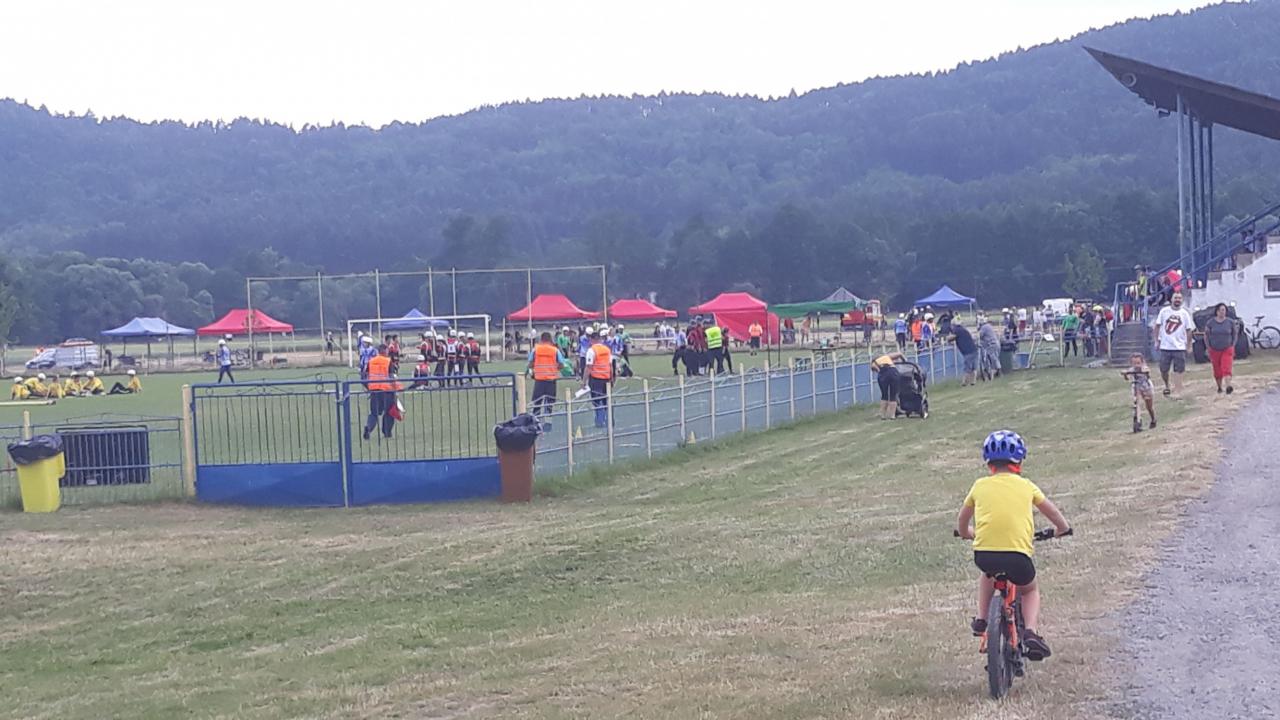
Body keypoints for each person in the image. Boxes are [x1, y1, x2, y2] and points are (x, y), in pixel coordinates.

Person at [956, 430, 1071, 662]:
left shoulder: (979, 486)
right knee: (1029, 589)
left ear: (988, 462)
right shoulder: (1026, 486)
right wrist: (1062, 529)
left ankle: (982, 619)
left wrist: (967, 533)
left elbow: (962, 521)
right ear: (1019, 461)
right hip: (1018, 557)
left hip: (985, 554)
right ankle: (1030, 632)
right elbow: (1053, 513)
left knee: (988, 575)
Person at [1152, 291, 1194, 397]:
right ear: (1171, 299)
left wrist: (1189, 345)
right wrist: (1156, 341)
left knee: (1179, 370)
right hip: (1165, 346)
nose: (1177, 300)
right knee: (1163, 369)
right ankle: (1167, 385)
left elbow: (1189, 330)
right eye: (1175, 298)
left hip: (1179, 347)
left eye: (1179, 298)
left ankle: (1178, 390)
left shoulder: (1185, 314)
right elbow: (1157, 326)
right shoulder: (1164, 312)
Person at [527, 332, 565, 424]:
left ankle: (535, 422)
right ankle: (548, 423)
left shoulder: (536, 350)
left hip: (539, 380)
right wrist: (554, 368)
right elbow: (562, 364)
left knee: (537, 403)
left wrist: (537, 366)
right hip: (551, 380)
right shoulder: (555, 350)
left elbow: (530, 364)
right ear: (550, 339)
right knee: (549, 403)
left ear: (541, 339)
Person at [362, 344, 398, 440]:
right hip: (386, 391)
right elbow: (392, 377)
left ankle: (368, 427)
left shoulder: (371, 361)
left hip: (374, 391)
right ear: (385, 351)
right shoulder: (388, 361)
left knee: (374, 413)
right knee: (389, 412)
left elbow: (364, 376)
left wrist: (369, 387)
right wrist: (395, 389)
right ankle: (387, 433)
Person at [1204, 302, 1238, 395]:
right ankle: (1219, 387)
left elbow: (1235, 334)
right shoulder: (1210, 323)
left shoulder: (1230, 322)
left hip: (1227, 348)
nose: (1222, 312)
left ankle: (1228, 386)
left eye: (1224, 310)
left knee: (1226, 367)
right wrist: (1208, 347)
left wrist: (1233, 345)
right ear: (1217, 311)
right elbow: (1206, 335)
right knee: (1217, 369)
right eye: (1221, 310)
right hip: (1214, 349)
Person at [582, 328, 613, 428]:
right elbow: (611, 366)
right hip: (606, 378)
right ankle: (609, 420)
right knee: (606, 400)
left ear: (591, 340)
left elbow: (588, 367)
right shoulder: (607, 350)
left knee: (596, 400)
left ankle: (600, 420)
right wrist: (612, 378)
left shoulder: (591, 350)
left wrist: (584, 381)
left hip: (596, 378)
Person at [1124, 352, 1157, 430]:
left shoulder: (1144, 368)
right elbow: (1127, 378)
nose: (1136, 365)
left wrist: (1144, 371)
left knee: (1149, 406)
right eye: (1134, 363)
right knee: (1137, 403)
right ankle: (1138, 420)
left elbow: (1147, 372)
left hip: (1146, 387)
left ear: (1142, 362)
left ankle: (1153, 419)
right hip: (1136, 386)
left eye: (1138, 363)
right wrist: (1125, 374)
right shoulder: (1132, 369)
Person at [870, 351, 906, 420]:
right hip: (893, 372)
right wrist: (904, 361)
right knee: (893, 395)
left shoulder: (874, 362)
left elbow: (874, 367)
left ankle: (883, 415)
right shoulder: (886, 356)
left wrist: (879, 371)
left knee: (884, 395)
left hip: (883, 374)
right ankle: (892, 415)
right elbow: (899, 354)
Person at [951, 320, 979, 386]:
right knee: (974, 367)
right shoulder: (964, 329)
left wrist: (947, 338)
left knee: (967, 368)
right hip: (974, 349)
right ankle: (973, 381)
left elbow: (951, 338)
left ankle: (965, 382)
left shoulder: (956, 330)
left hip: (967, 352)